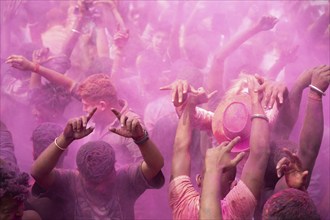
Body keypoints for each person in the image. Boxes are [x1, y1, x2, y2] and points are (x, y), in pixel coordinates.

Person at [30, 107, 165, 219]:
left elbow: (155, 165)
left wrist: (140, 138)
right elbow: (38, 172)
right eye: (93, 183)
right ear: (79, 171)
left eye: (106, 180)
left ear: (114, 168)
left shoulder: (125, 179)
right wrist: (65, 138)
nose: (101, 188)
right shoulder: (70, 181)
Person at [168, 75, 270, 219]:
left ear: (199, 179)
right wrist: (254, 102)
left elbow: (180, 147)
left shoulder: (182, 201)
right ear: (233, 186)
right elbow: (260, 153)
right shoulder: (235, 209)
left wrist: (191, 103)